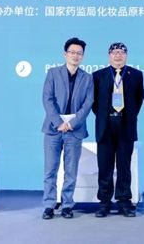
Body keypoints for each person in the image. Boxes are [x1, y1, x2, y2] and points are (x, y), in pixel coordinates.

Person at [41, 37, 94, 220]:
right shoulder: (53, 73)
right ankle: (49, 205)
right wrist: (59, 122)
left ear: (83, 56)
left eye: (79, 53)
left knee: (71, 171)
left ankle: (67, 205)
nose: (75, 56)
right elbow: (47, 99)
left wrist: (72, 123)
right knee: (50, 170)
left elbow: (88, 103)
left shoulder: (87, 78)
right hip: (53, 128)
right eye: (72, 52)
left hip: (74, 129)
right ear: (65, 54)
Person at [92, 42, 144, 217]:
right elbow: (94, 103)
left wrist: (125, 115)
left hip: (126, 126)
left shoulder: (136, 75)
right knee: (104, 167)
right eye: (114, 52)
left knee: (124, 166)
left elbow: (138, 100)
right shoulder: (98, 76)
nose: (118, 55)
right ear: (109, 56)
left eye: (122, 52)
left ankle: (124, 202)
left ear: (126, 55)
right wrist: (107, 116)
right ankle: (104, 202)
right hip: (105, 126)